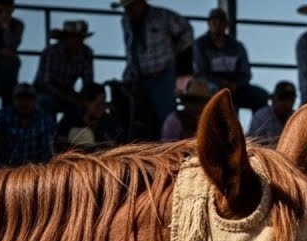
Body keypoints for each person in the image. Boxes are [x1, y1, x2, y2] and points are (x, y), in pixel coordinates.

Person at [115, 0, 193, 140]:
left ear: (140, 3)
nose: (128, 11)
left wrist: (177, 56)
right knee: (139, 119)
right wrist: (129, 73)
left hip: (163, 75)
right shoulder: (125, 21)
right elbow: (130, 49)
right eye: (126, 8)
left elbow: (186, 31)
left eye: (130, 6)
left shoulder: (162, 16)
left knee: (167, 116)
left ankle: (170, 148)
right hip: (139, 77)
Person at [193, 8, 267, 112]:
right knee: (214, 91)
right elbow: (201, 73)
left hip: (235, 88)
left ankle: (258, 122)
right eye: (214, 21)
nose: (218, 24)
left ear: (226, 24)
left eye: (221, 21)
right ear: (209, 24)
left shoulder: (237, 46)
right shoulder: (200, 45)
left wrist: (236, 85)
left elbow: (245, 73)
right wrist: (220, 83)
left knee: (261, 96)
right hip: (209, 87)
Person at [34, 19, 93, 119]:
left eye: (81, 38)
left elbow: (88, 81)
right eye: (76, 38)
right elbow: (48, 84)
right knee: (46, 102)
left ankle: (68, 128)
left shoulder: (86, 53)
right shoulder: (52, 52)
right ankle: (49, 128)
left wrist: (84, 97)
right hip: (44, 92)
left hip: (68, 93)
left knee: (81, 108)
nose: (79, 42)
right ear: (65, 38)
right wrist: (73, 98)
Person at [0, 82, 53, 166]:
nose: (24, 102)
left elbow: (47, 151)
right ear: (13, 99)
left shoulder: (45, 120)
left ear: (35, 100)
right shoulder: (3, 116)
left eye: (29, 98)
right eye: (20, 98)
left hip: (33, 169)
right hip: (4, 168)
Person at [57, 82, 122, 149]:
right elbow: (60, 140)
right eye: (97, 105)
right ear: (86, 103)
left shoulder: (107, 121)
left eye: (104, 104)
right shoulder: (71, 118)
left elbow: (116, 142)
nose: (102, 107)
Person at [0, 0, 23, 109]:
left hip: (5, 66)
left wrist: (6, 28)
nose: (4, 15)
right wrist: (0, 52)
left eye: (8, 12)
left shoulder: (17, 25)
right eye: (0, 11)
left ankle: (7, 112)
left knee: (12, 62)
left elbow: (11, 46)